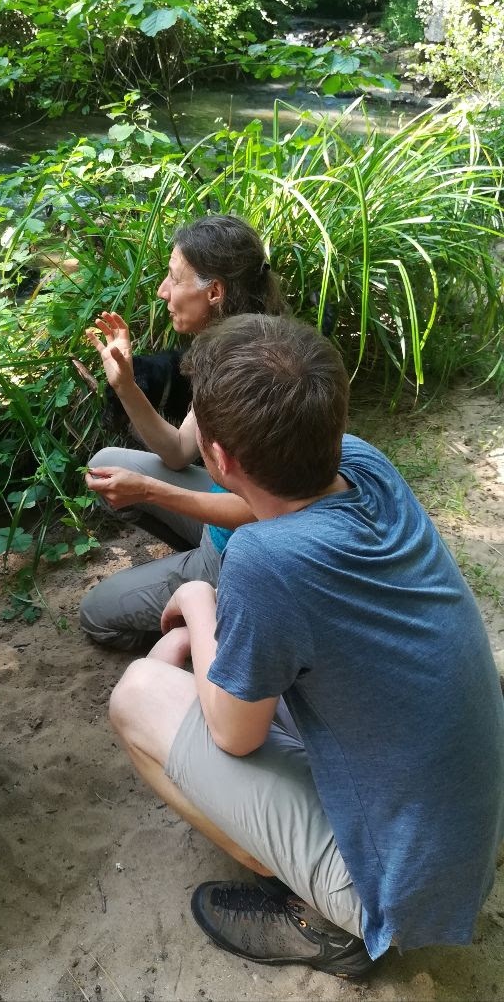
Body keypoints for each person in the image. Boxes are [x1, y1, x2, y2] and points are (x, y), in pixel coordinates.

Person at [108, 313, 504, 978]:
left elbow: (234, 733)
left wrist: (200, 611)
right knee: (228, 672)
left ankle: (325, 917)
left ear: (222, 460)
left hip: (394, 888)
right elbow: (269, 505)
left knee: (137, 695)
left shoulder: (263, 562)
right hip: (472, 819)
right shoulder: (360, 462)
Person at [80, 214, 285, 650]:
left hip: (245, 544)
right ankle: (197, 573)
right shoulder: (229, 345)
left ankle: (218, 601)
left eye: (174, 279)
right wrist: (126, 385)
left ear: (215, 292)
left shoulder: (245, 374)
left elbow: (264, 510)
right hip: (232, 513)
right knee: (105, 466)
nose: (162, 291)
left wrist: (151, 492)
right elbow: (177, 452)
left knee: (95, 616)